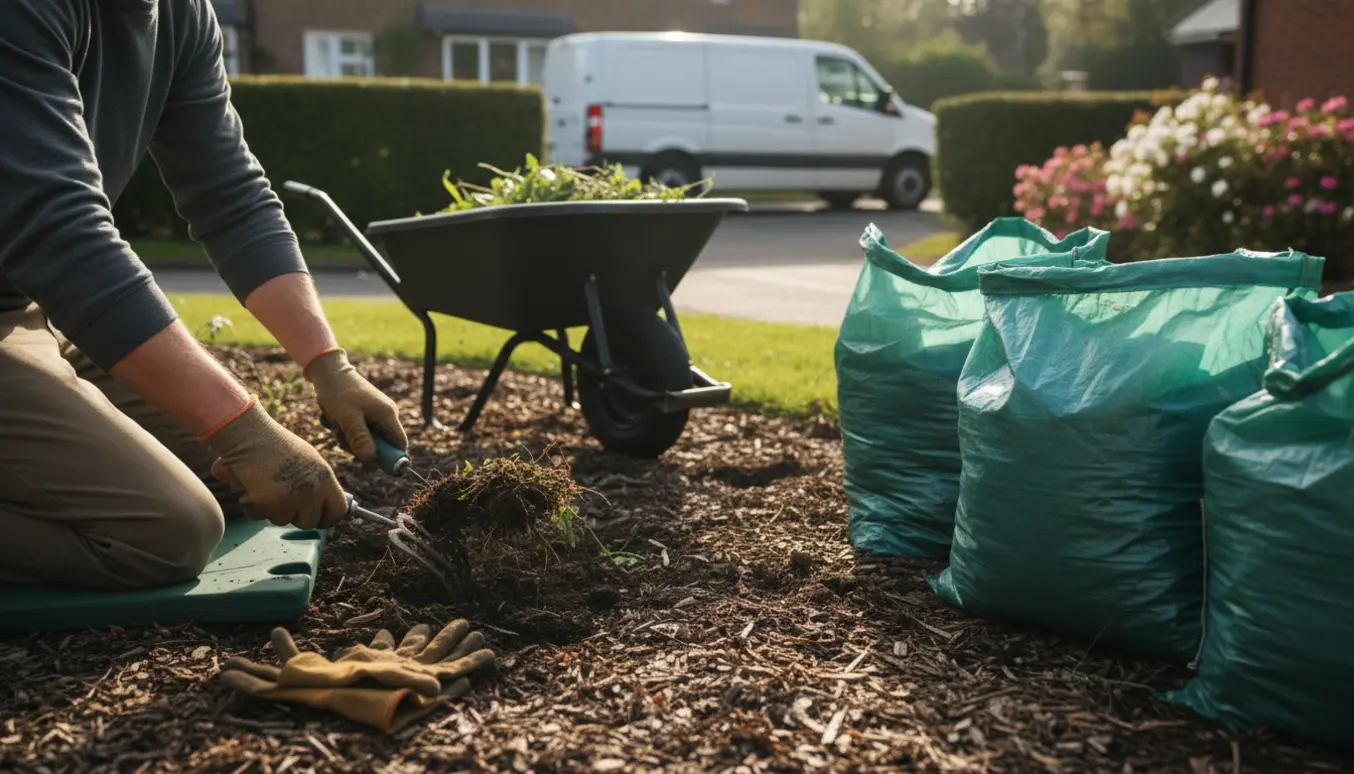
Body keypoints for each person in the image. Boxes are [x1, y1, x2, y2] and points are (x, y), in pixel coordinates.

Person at [0, 0, 408, 590]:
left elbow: (233, 199)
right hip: (33, 293)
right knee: (170, 533)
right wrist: (244, 430)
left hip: (30, 308)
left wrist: (329, 366)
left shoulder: (182, 14)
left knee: (232, 480)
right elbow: (59, 235)